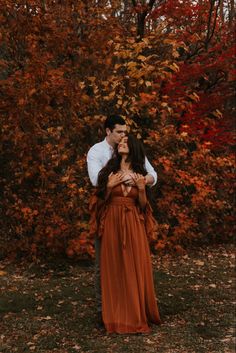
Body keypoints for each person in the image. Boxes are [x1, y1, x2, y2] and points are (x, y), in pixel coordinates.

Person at [86, 115, 157, 326]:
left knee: (133, 263)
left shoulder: (134, 152)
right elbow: (95, 181)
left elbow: (153, 174)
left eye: (125, 133)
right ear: (108, 131)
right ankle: (105, 311)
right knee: (106, 265)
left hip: (132, 217)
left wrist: (141, 181)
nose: (123, 136)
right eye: (119, 133)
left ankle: (134, 307)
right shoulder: (97, 152)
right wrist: (111, 184)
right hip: (109, 216)